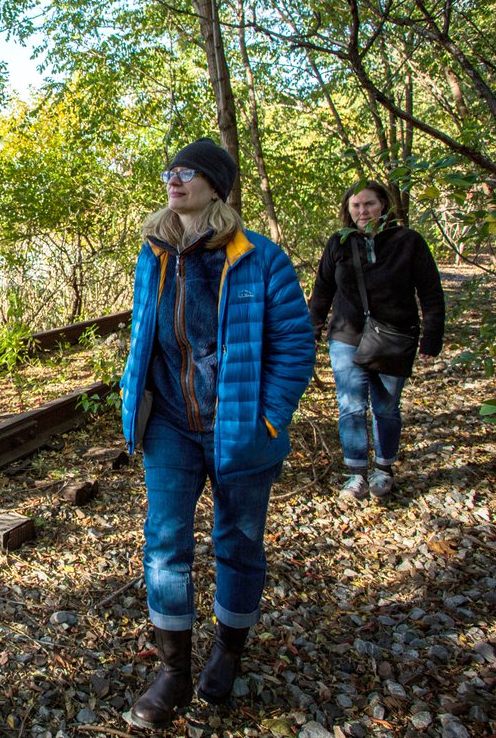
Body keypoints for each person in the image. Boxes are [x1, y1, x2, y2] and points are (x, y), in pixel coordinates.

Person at [118, 138, 315, 729]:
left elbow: (295, 346)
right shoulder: (153, 253)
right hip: (172, 427)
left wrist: (269, 417)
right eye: (169, 172)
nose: (174, 180)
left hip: (241, 428)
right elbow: (143, 335)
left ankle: (228, 651)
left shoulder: (260, 257)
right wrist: (134, 401)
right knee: (165, 543)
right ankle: (174, 668)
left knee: (238, 542)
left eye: (188, 173)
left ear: (215, 186)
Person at [307, 180, 445, 502]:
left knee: (385, 407)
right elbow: (322, 291)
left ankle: (383, 469)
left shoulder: (408, 241)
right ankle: (355, 474)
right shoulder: (339, 243)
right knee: (350, 406)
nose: (362, 211)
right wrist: (310, 332)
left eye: (368, 204)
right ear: (348, 210)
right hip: (346, 335)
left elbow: (431, 292)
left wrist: (432, 337)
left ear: (384, 205)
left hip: (393, 337)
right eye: (356, 206)